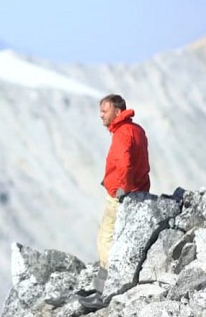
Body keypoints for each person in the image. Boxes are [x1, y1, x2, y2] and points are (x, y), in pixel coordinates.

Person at [78, 94, 151, 310]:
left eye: (104, 111)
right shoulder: (137, 130)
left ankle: (104, 293)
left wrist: (123, 190)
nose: (100, 115)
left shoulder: (121, 133)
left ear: (117, 112)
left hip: (121, 196)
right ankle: (102, 290)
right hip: (139, 193)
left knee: (106, 240)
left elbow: (125, 164)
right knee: (118, 241)